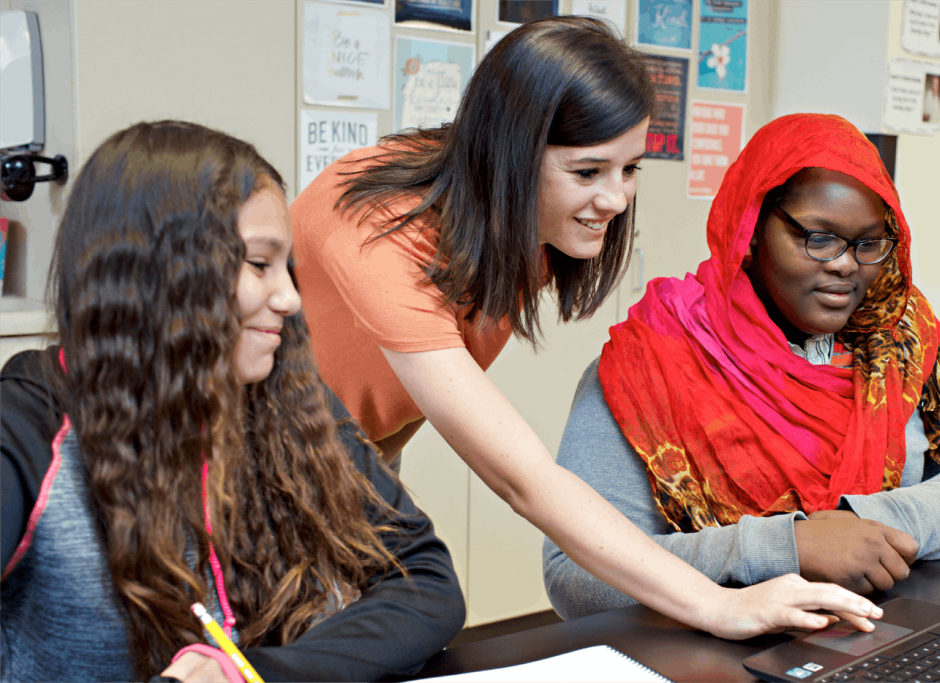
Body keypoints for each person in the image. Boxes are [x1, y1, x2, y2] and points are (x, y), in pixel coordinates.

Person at [292, 17, 881, 637]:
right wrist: (719, 604)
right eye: (588, 172)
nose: (617, 199)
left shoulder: (517, 216)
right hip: (226, 459)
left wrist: (359, 499)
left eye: (630, 169)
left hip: (340, 455)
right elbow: (524, 479)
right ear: (513, 154)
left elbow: (384, 401)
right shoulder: (381, 237)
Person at [0, 121, 465, 682]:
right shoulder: (29, 424)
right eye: (259, 264)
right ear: (164, 269)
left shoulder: (288, 400)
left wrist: (250, 673)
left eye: (285, 266)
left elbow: (424, 579)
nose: (290, 299)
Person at [543, 113, 940, 619]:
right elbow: (576, 577)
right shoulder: (649, 369)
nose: (845, 265)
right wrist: (788, 546)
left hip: (876, 634)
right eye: (818, 237)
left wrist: (864, 521)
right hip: (711, 651)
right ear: (749, 231)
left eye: (869, 244)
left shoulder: (899, 342)